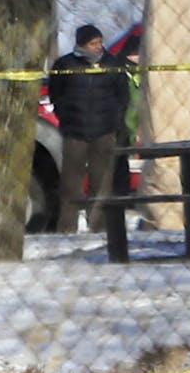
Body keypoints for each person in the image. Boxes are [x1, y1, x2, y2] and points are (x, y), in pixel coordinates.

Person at [48, 24, 130, 233]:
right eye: (93, 43)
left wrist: (115, 119)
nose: (98, 47)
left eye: (100, 42)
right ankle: (66, 228)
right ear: (82, 44)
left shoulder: (113, 63)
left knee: (101, 183)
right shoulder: (65, 64)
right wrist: (65, 116)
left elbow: (123, 96)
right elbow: (55, 94)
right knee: (70, 184)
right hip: (74, 132)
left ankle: (99, 228)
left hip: (104, 132)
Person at [112, 31, 144, 196]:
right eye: (136, 55)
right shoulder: (120, 72)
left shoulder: (139, 74)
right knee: (119, 164)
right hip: (120, 126)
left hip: (132, 126)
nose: (139, 59)